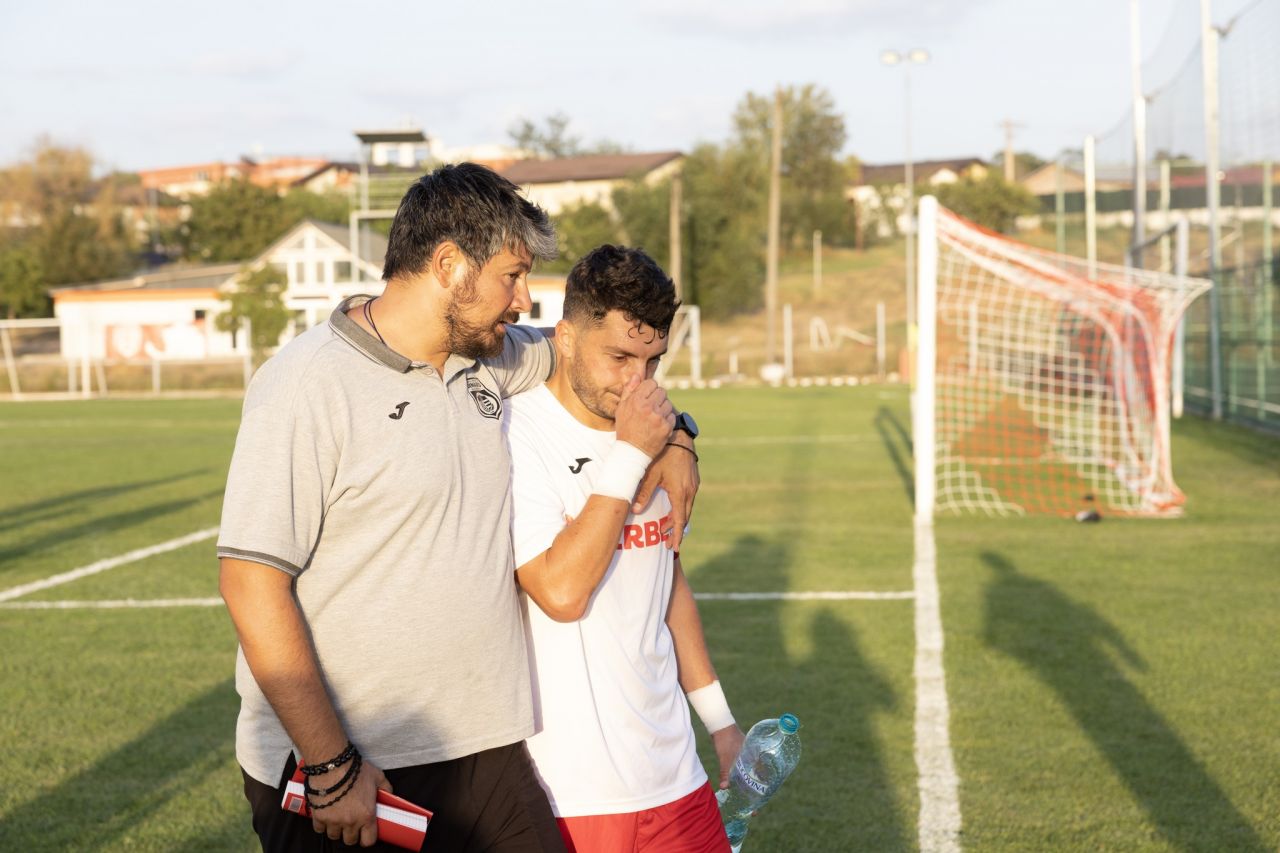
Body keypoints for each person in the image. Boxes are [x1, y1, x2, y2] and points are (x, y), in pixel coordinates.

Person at [217, 165, 699, 852]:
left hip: (485, 754)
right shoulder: (304, 385)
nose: (526, 299)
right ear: (449, 265)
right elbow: (251, 582)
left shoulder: (491, 359)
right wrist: (328, 763)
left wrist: (679, 436)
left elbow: (608, 368)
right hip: (349, 767)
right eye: (513, 275)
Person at [504, 245, 743, 853]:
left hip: (677, 779)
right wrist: (635, 450)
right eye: (618, 357)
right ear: (564, 338)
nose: (637, 382)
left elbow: (667, 582)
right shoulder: (513, 433)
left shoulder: (659, 429)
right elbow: (559, 592)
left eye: (652, 361)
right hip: (571, 794)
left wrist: (719, 723)